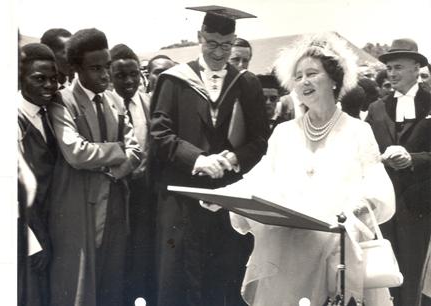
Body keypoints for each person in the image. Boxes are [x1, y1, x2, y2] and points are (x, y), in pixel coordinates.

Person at [221, 33, 395, 305]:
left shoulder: (359, 131)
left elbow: (376, 183)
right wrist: (224, 196)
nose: (303, 82)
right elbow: (262, 176)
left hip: (339, 250)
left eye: (312, 73)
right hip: (289, 251)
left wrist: (360, 207)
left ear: (334, 80)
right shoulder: (283, 132)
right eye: (298, 76)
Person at [150, 5, 269, 306]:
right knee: (179, 277)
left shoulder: (246, 83)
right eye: (212, 43)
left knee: (223, 276)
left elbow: (259, 140)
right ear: (199, 37)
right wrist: (198, 159)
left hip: (228, 198)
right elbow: (160, 134)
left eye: (226, 45)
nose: (219, 52)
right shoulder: (174, 80)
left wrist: (233, 159)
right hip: (182, 195)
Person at [48, 28, 142, 306]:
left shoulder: (115, 100)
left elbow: (136, 151)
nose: (104, 75)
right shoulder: (61, 101)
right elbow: (76, 152)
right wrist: (117, 151)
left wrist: (113, 169)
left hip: (114, 203)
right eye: (96, 68)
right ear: (76, 68)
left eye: (107, 67)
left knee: (112, 283)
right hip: (78, 206)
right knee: (79, 286)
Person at [366, 38, 431, 306]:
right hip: (385, 205)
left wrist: (412, 159)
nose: (392, 74)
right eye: (389, 68)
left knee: (414, 274)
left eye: (399, 68)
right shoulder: (377, 108)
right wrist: (380, 158)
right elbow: (365, 151)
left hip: (420, 204)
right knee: (384, 273)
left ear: (417, 68)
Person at [109, 43, 155, 306]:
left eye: (134, 74)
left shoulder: (148, 102)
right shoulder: (106, 103)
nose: (128, 81)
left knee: (142, 250)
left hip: (145, 190)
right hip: (117, 189)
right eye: (120, 75)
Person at [18, 42, 59, 306]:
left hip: (52, 225)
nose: (49, 85)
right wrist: (33, 240)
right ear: (21, 78)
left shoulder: (50, 113)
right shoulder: (12, 118)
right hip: (28, 232)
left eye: (54, 79)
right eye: (39, 79)